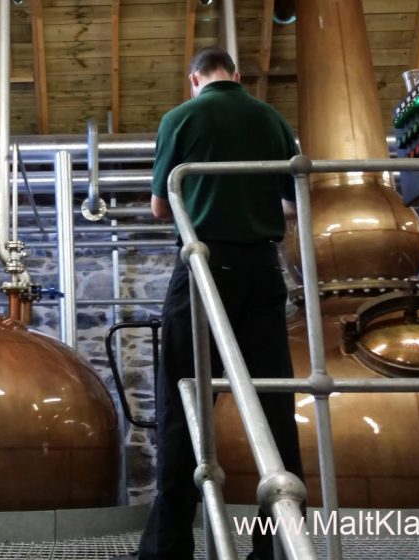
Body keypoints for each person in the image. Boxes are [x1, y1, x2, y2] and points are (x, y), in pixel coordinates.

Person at [118, 46, 304, 560]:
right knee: (274, 405)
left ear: (194, 79)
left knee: (185, 402)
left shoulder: (181, 116)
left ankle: (168, 549)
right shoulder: (271, 118)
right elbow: (292, 202)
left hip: (204, 270)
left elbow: (161, 206)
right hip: (265, 273)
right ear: (237, 76)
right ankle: (278, 546)